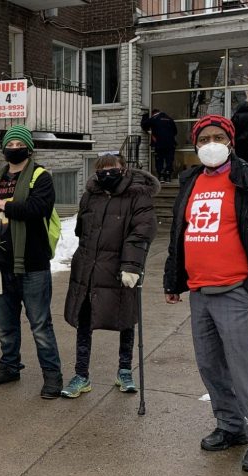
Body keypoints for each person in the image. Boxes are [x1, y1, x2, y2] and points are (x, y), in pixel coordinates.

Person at [164, 114, 248, 474]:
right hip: (200, 292)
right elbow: (182, 231)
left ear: (231, 141)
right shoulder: (190, 181)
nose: (210, 143)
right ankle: (230, 425)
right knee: (210, 364)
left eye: (217, 137)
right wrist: (173, 281)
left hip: (236, 290)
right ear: (195, 144)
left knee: (244, 366)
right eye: (204, 138)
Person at [0, 125, 64, 399]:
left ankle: (52, 375)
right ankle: (10, 366)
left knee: (39, 323)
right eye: (9, 144)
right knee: (5, 323)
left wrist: (0, 204)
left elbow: (37, 210)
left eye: (18, 144)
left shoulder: (41, 177)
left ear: (29, 148)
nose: (13, 148)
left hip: (32, 264)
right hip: (0, 263)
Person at [60, 154, 158, 398]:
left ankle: (124, 370)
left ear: (123, 169)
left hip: (120, 269)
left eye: (112, 168)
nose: (106, 173)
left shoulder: (137, 194)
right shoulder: (91, 196)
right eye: (101, 169)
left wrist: (132, 265)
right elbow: (82, 230)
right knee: (84, 320)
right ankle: (81, 374)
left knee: (125, 318)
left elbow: (142, 230)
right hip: (88, 268)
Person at [141, 109, 178, 183]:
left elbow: (144, 125)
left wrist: (145, 116)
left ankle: (161, 176)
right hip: (170, 144)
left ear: (153, 114)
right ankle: (168, 176)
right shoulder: (169, 119)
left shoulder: (154, 118)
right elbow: (175, 131)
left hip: (159, 144)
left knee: (159, 159)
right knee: (169, 160)